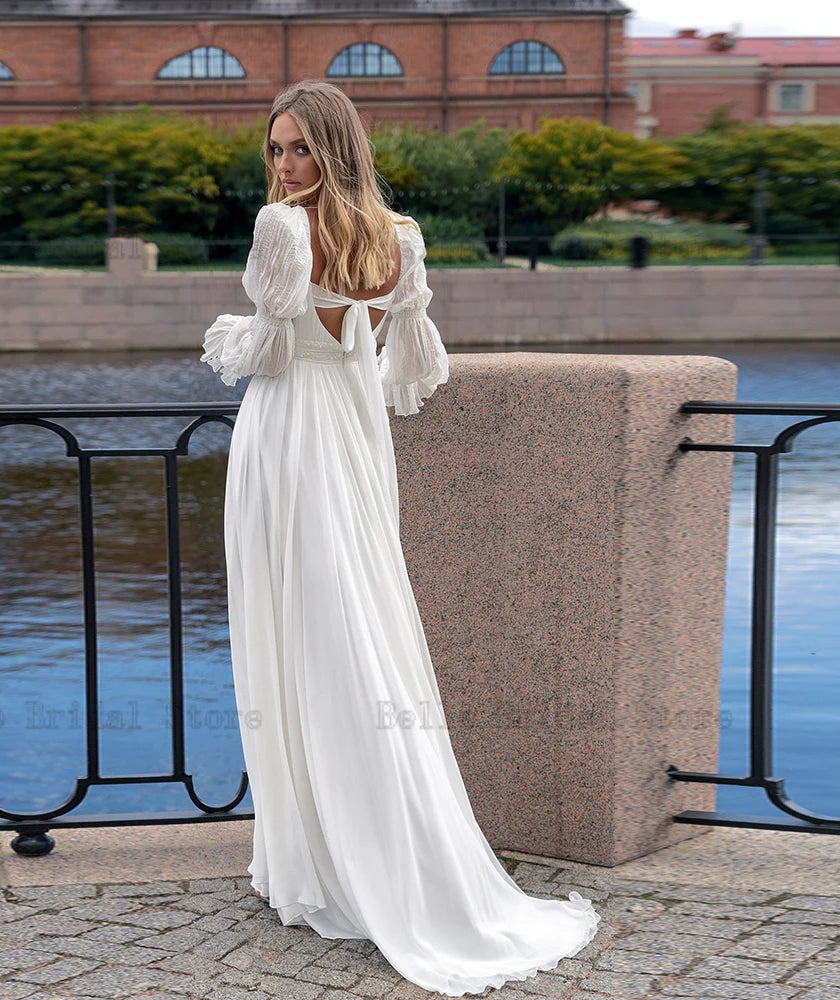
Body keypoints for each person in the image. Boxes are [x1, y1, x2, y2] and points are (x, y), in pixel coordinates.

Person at [201, 80, 600, 997]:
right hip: (351, 438)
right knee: (357, 621)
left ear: (334, 150)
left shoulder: (281, 232)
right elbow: (407, 370)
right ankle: (343, 850)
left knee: (303, 629)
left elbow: (263, 349)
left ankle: (321, 862)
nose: (284, 165)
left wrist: (234, 331)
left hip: (290, 436)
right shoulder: (402, 237)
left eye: (298, 148)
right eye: (275, 150)